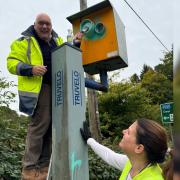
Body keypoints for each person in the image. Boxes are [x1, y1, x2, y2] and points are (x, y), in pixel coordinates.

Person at [7, 13, 81, 179]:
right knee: (40, 125)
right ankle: (29, 168)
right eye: (41, 23)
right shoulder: (24, 41)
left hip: (58, 87)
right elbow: (11, 63)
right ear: (35, 25)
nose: (45, 27)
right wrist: (30, 68)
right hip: (40, 88)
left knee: (51, 128)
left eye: (48, 24)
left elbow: (66, 50)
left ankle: (44, 167)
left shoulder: (57, 40)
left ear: (51, 26)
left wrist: (75, 42)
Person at [80, 118, 168, 180]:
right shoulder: (133, 163)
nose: (123, 131)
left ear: (139, 148)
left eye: (128, 132)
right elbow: (109, 156)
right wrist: (89, 140)